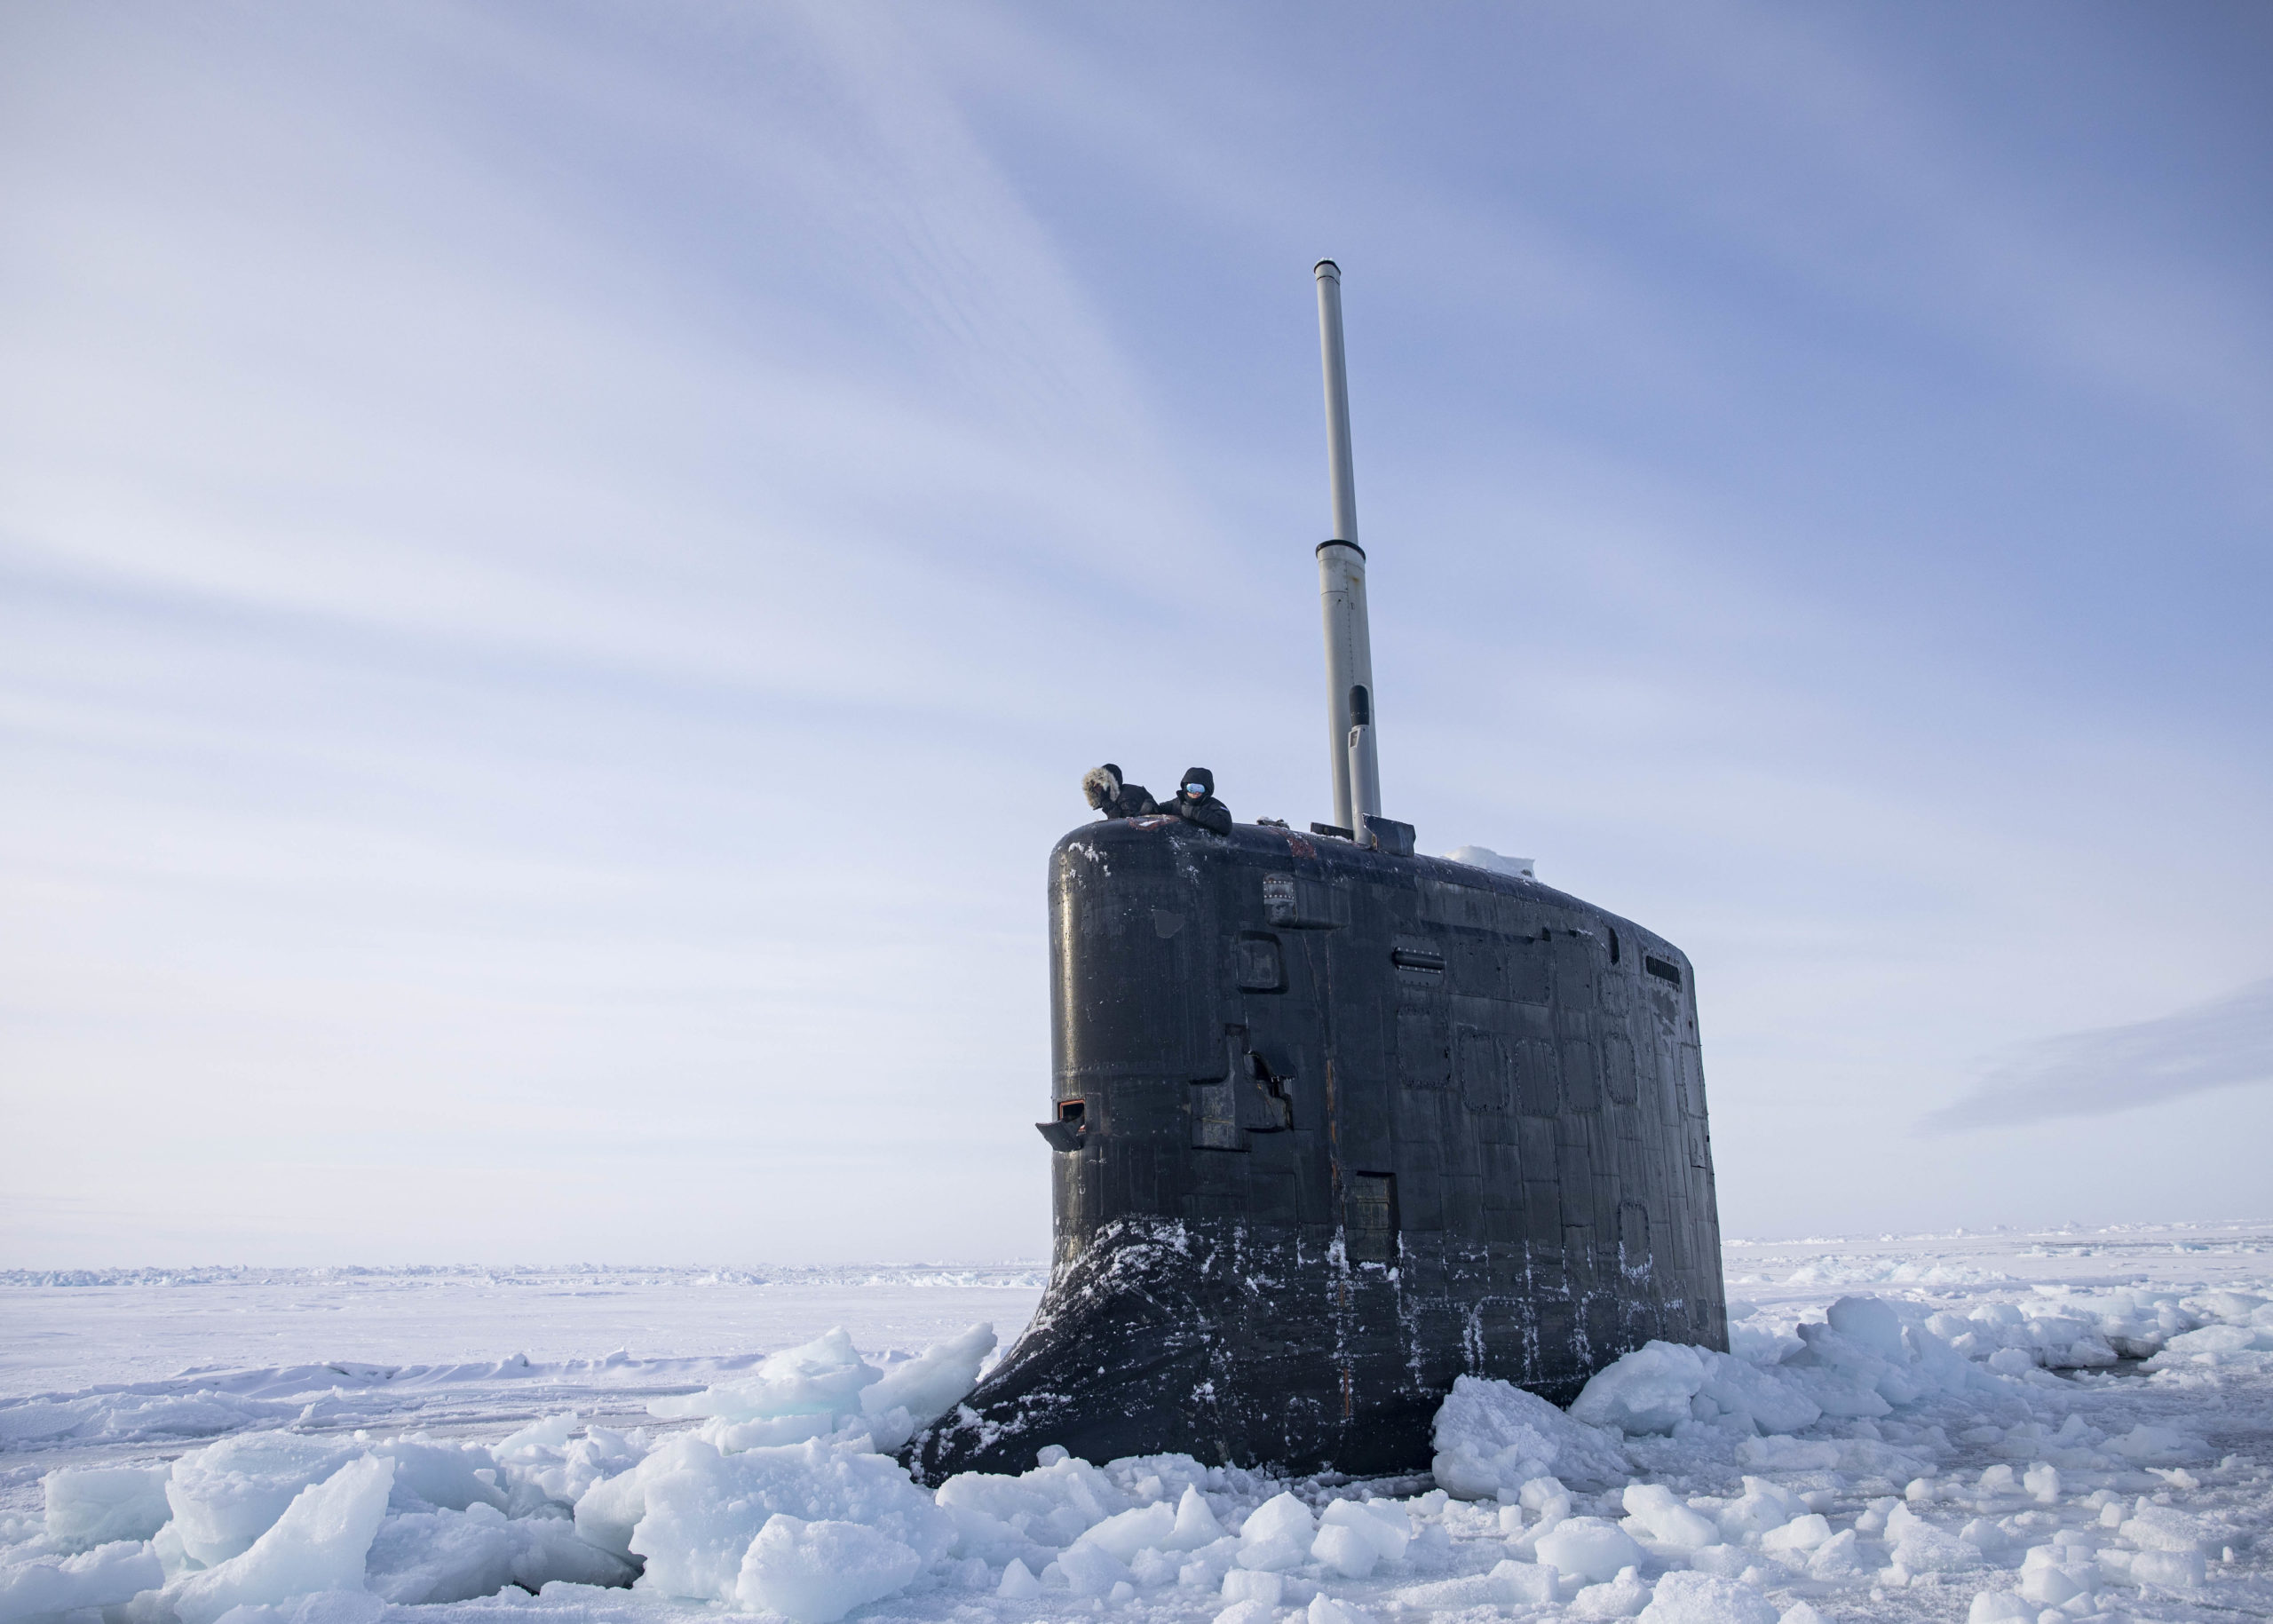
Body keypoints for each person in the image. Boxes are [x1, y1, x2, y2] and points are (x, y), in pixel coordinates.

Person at [1165, 766, 1232, 836]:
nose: (1196, 792)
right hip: (1181, 840)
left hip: (1205, 843)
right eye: (1192, 788)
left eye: (1200, 788)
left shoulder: (1214, 805)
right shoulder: (1178, 803)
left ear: (1206, 790)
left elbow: (1226, 825)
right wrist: (1152, 804)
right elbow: (1159, 810)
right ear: (1185, 788)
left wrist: (1195, 813)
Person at [1081, 763, 1157, 820]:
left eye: (1099, 784)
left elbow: (1129, 823)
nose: (1097, 789)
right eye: (1094, 787)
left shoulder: (1126, 795)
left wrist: (1105, 801)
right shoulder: (1114, 800)